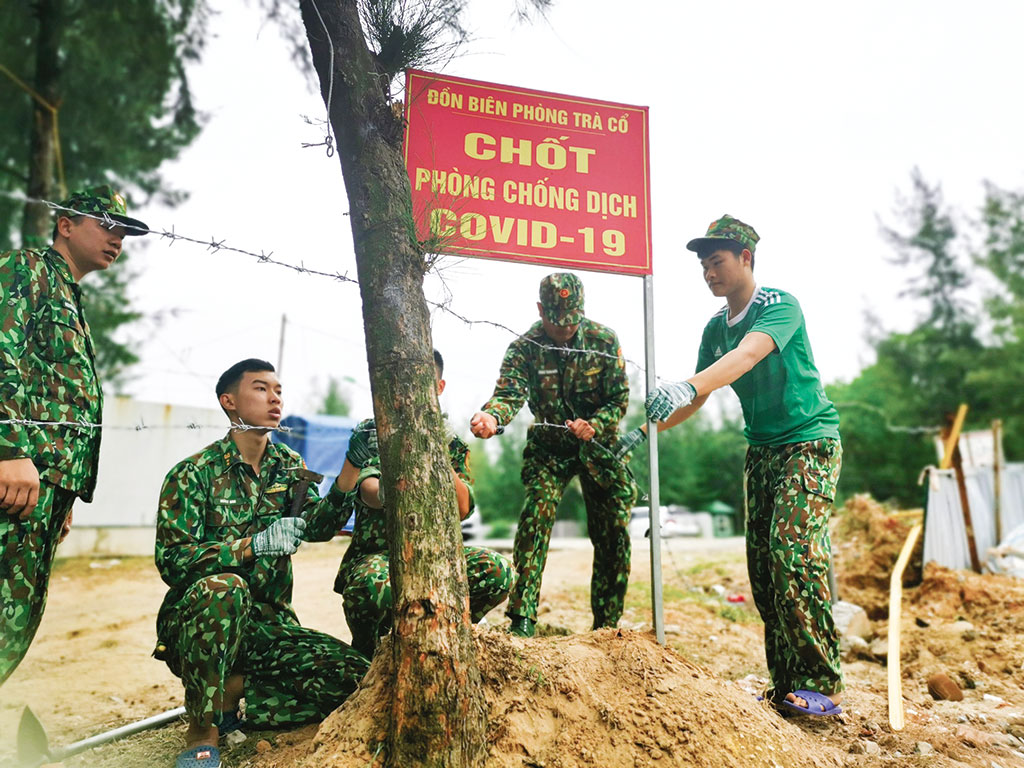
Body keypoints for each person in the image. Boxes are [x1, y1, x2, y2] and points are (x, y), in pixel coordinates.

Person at [620, 215, 844, 717]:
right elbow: (696, 399)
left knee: (793, 554)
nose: (708, 273)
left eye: (716, 261)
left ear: (746, 258)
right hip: (761, 451)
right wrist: (643, 431)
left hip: (809, 444)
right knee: (764, 573)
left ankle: (822, 684)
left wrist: (691, 383)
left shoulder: (778, 305)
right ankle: (786, 684)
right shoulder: (713, 328)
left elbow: (744, 358)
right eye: (702, 265)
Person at [154, 359, 369, 768]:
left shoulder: (288, 465)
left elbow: (319, 527)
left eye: (278, 390)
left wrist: (350, 469)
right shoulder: (193, 474)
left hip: (268, 627)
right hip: (203, 626)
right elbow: (173, 560)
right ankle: (202, 729)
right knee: (226, 588)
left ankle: (235, 693)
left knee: (358, 681)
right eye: (260, 388)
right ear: (229, 401)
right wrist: (252, 546)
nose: (274, 398)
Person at [0, 185, 148, 685]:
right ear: (66, 224)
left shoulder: (67, 290)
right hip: (16, 480)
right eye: (107, 226)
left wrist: (63, 496)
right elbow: (2, 353)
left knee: (13, 625)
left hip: (42, 491)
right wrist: (9, 449)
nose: (118, 240)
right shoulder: (29, 269)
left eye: (123, 232)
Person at [470, 273, 635, 638]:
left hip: (599, 448)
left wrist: (595, 424)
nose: (564, 330)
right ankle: (522, 617)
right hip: (549, 445)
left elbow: (619, 399)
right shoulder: (525, 347)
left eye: (571, 321)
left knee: (613, 532)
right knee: (535, 518)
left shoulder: (604, 340)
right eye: (556, 322)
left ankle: (606, 626)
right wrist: (492, 416)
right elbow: (509, 393)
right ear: (541, 310)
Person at [333, 349, 513, 657]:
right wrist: (395, 492)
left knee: (497, 571)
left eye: (421, 381)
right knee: (375, 587)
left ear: (439, 388)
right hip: (380, 555)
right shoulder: (374, 431)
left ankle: (449, 634)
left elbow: (461, 508)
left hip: (435, 554)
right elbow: (369, 491)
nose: (410, 390)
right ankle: (369, 652)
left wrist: (439, 450)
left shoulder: (451, 442)